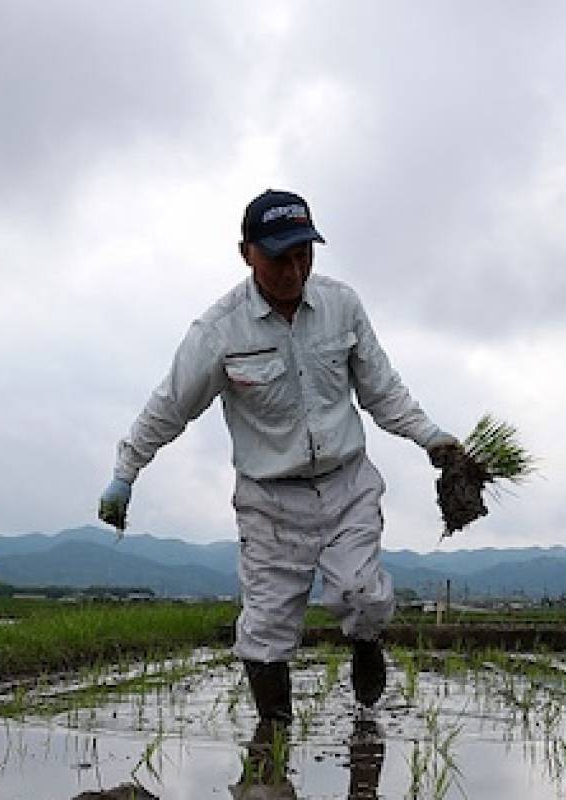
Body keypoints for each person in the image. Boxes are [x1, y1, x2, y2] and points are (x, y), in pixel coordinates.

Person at [97, 188, 459, 729]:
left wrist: (436, 442)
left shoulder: (342, 305)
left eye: (304, 256)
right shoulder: (218, 332)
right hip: (269, 499)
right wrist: (126, 472)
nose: (294, 271)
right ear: (247, 254)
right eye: (279, 259)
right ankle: (273, 743)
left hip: (346, 484)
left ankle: (364, 644)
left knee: (361, 596)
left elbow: (382, 390)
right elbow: (169, 405)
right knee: (265, 630)